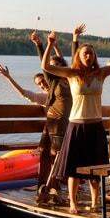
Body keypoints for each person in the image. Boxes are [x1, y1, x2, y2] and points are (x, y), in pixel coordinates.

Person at [41, 26, 110, 214]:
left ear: (94, 57)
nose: (88, 56)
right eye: (85, 53)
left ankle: (95, 202)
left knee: (95, 170)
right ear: (79, 57)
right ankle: (73, 203)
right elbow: (46, 67)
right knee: (74, 169)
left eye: (91, 53)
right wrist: (49, 45)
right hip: (76, 126)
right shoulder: (72, 74)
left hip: (95, 126)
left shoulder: (101, 73)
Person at [30, 31, 73, 205]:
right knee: (47, 155)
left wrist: (56, 44)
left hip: (65, 122)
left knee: (57, 155)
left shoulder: (70, 79)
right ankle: (46, 187)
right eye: (51, 66)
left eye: (56, 65)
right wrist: (40, 45)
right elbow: (44, 64)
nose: (53, 68)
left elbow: (67, 63)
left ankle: (55, 186)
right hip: (53, 121)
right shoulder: (52, 80)